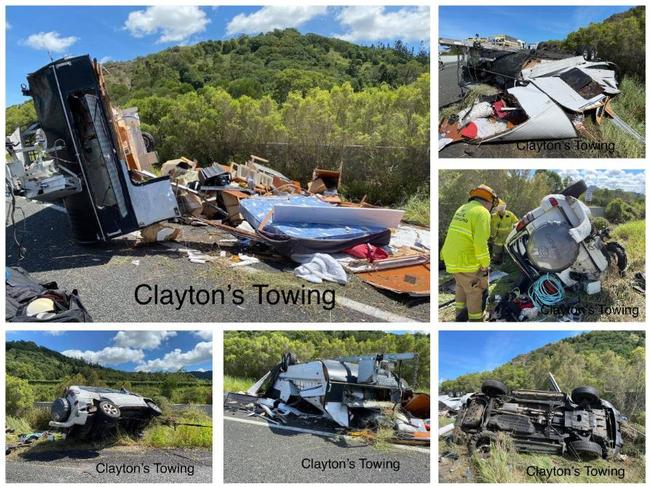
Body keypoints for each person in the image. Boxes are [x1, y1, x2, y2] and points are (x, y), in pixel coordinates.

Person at [441, 185, 498, 322]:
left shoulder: (462, 208)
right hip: (466, 260)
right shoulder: (482, 212)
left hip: (451, 257)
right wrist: (485, 264)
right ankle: (475, 321)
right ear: (488, 202)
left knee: (461, 286)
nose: (492, 209)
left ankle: (459, 318)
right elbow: (480, 243)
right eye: (492, 206)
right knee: (474, 291)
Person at [490, 200, 518, 265]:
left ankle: (505, 267)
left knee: (507, 255)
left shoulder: (510, 215)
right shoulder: (493, 216)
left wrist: (516, 226)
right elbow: (490, 226)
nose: (501, 210)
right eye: (500, 208)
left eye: (502, 208)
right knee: (496, 256)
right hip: (497, 240)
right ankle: (495, 267)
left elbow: (516, 222)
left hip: (507, 240)